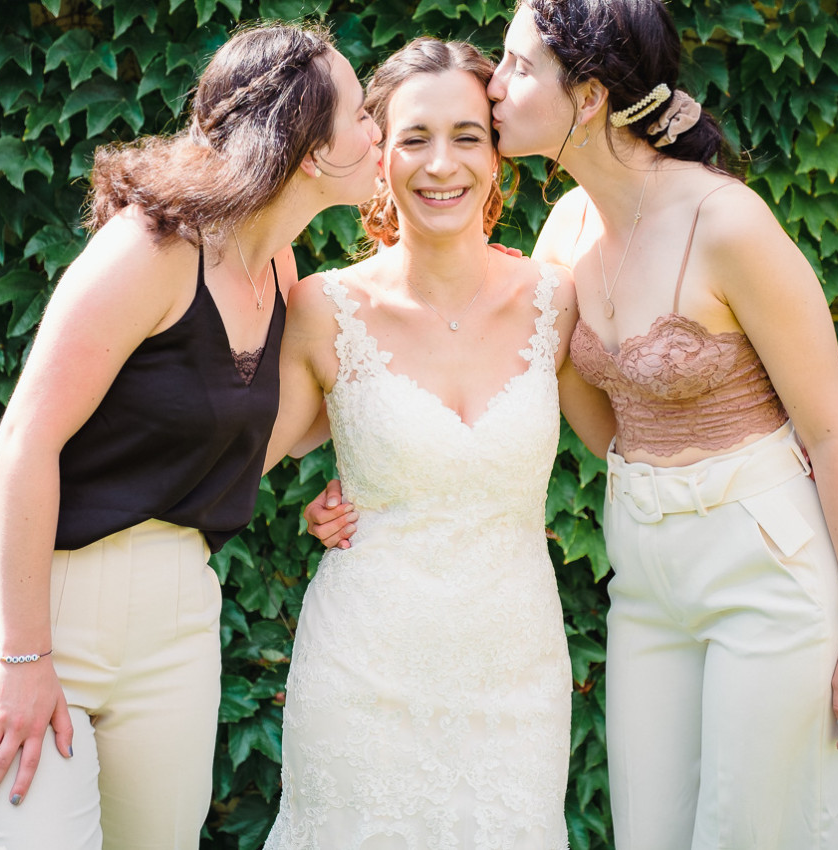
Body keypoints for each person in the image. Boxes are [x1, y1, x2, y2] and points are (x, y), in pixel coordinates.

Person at [309, 1, 838, 847]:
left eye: (516, 66)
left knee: (753, 831)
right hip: (644, 573)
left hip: (764, 566)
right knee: (646, 831)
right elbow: (532, 396)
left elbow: (833, 432)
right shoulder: (564, 232)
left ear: (586, 98)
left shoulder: (727, 223)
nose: (493, 86)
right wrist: (386, 472)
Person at [0, 24, 382, 849]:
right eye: (362, 114)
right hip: (38, 609)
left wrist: (384, 462)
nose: (378, 132)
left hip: (175, 620)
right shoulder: (152, 248)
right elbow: (28, 440)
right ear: (312, 150)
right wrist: (25, 660)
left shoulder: (279, 270)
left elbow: (256, 439)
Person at [259, 36, 591, 848]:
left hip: (516, 676)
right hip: (363, 672)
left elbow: (638, 438)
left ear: (496, 150)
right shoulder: (321, 307)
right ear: (378, 152)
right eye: (414, 138)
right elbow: (229, 453)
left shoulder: (557, 298)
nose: (441, 164)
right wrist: (35, 459)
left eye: (466, 136)